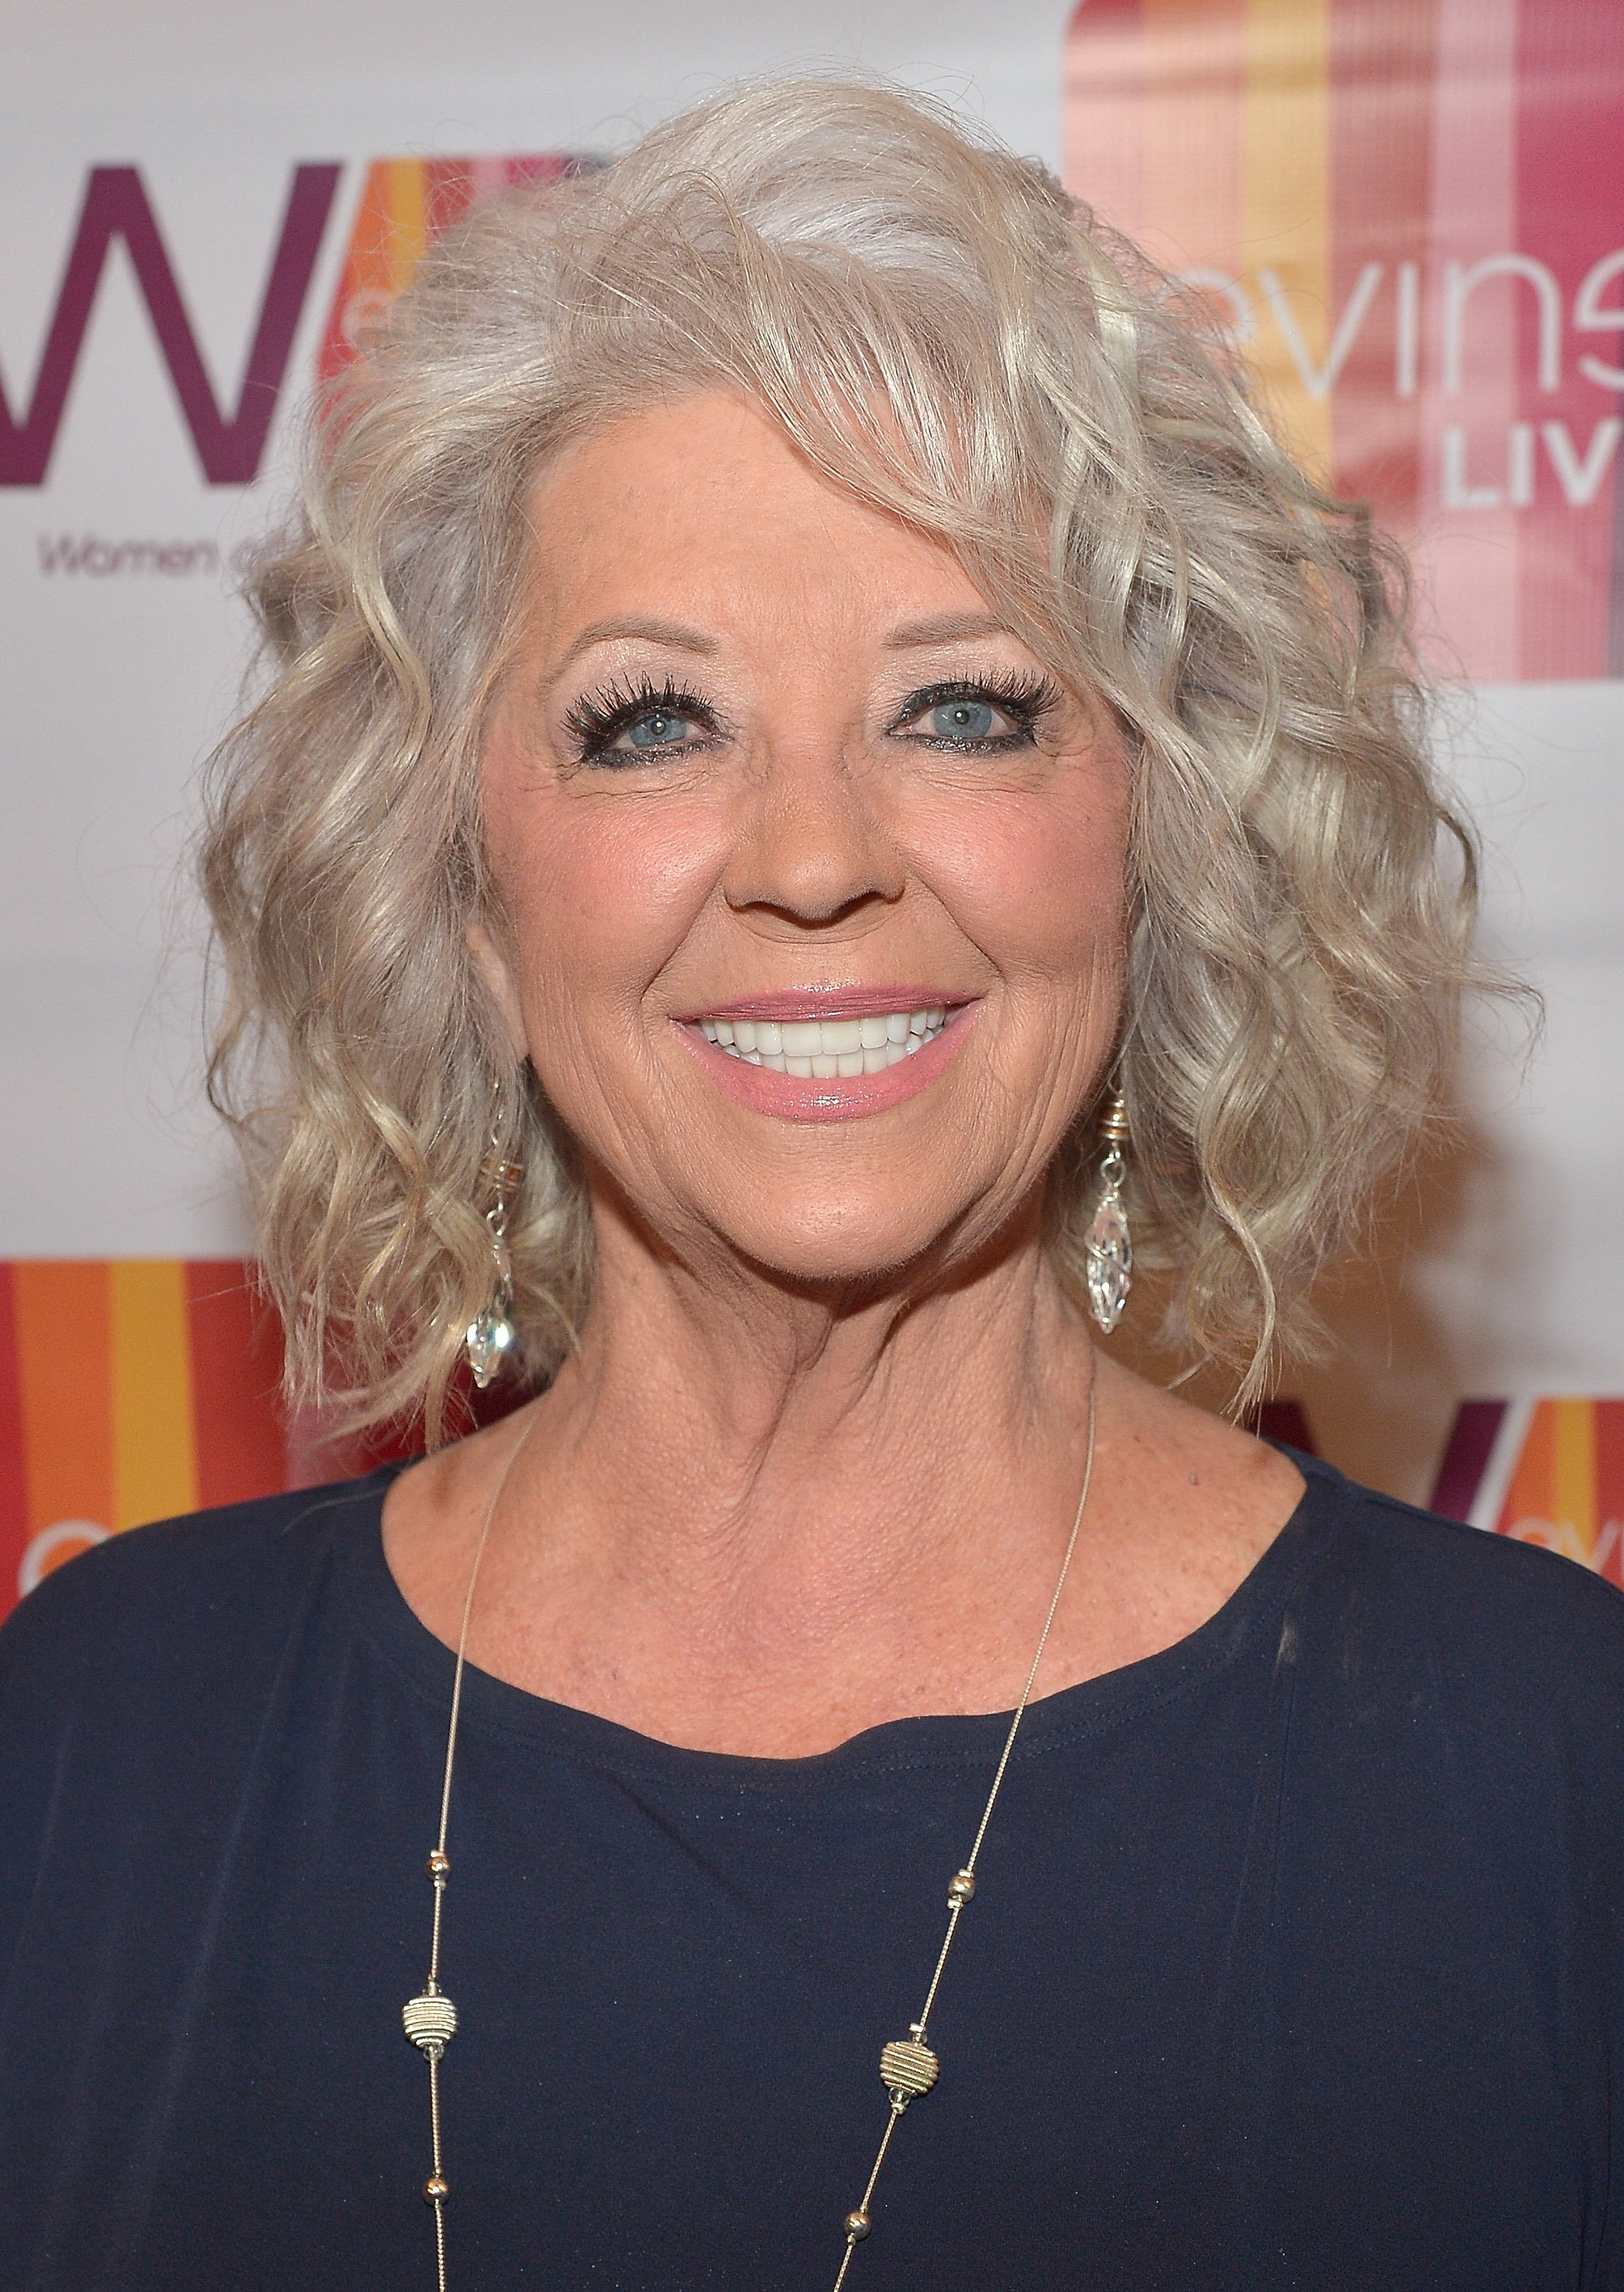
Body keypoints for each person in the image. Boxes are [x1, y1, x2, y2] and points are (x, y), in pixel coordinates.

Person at [2, 76, 1620, 2292]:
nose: (812, 856)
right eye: (651, 720)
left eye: (963, 709)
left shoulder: (1544, 1782)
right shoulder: (99, 1742)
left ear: (1163, 850)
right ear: (468, 899)